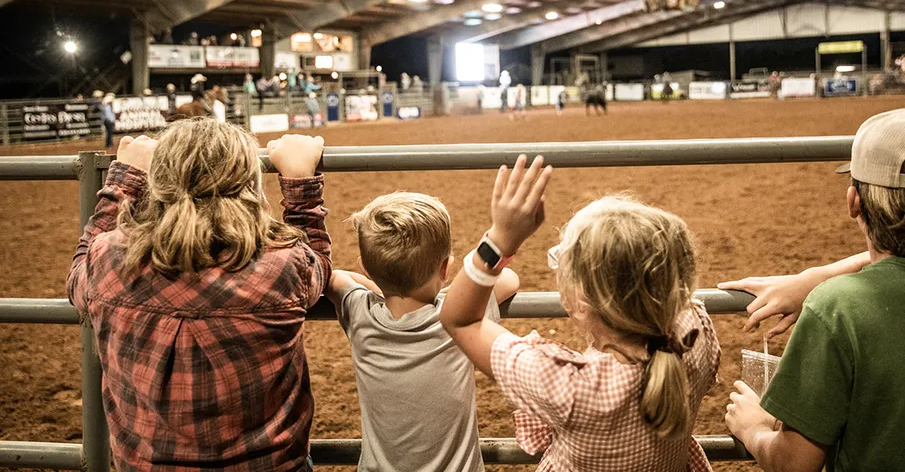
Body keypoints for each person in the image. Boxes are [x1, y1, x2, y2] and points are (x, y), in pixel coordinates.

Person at [723, 108, 905, 472]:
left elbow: (795, 464)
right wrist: (818, 274)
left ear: (854, 202)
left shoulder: (836, 308)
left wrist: (754, 429)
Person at [65, 122, 330, 472]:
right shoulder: (282, 262)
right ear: (248, 182)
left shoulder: (111, 258)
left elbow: (77, 280)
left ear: (158, 181)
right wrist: (300, 186)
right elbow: (319, 267)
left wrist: (121, 183)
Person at [441, 155, 721, 471]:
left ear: (583, 297)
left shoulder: (566, 387)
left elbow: (460, 317)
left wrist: (500, 241)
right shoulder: (693, 336)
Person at [327, 192, 520, 472]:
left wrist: (379, 290)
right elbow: (509, 279)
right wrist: (455, 294)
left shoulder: (360, 312)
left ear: (366, 267)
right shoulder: (455, 316)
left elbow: (335, 278)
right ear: (445, 267)